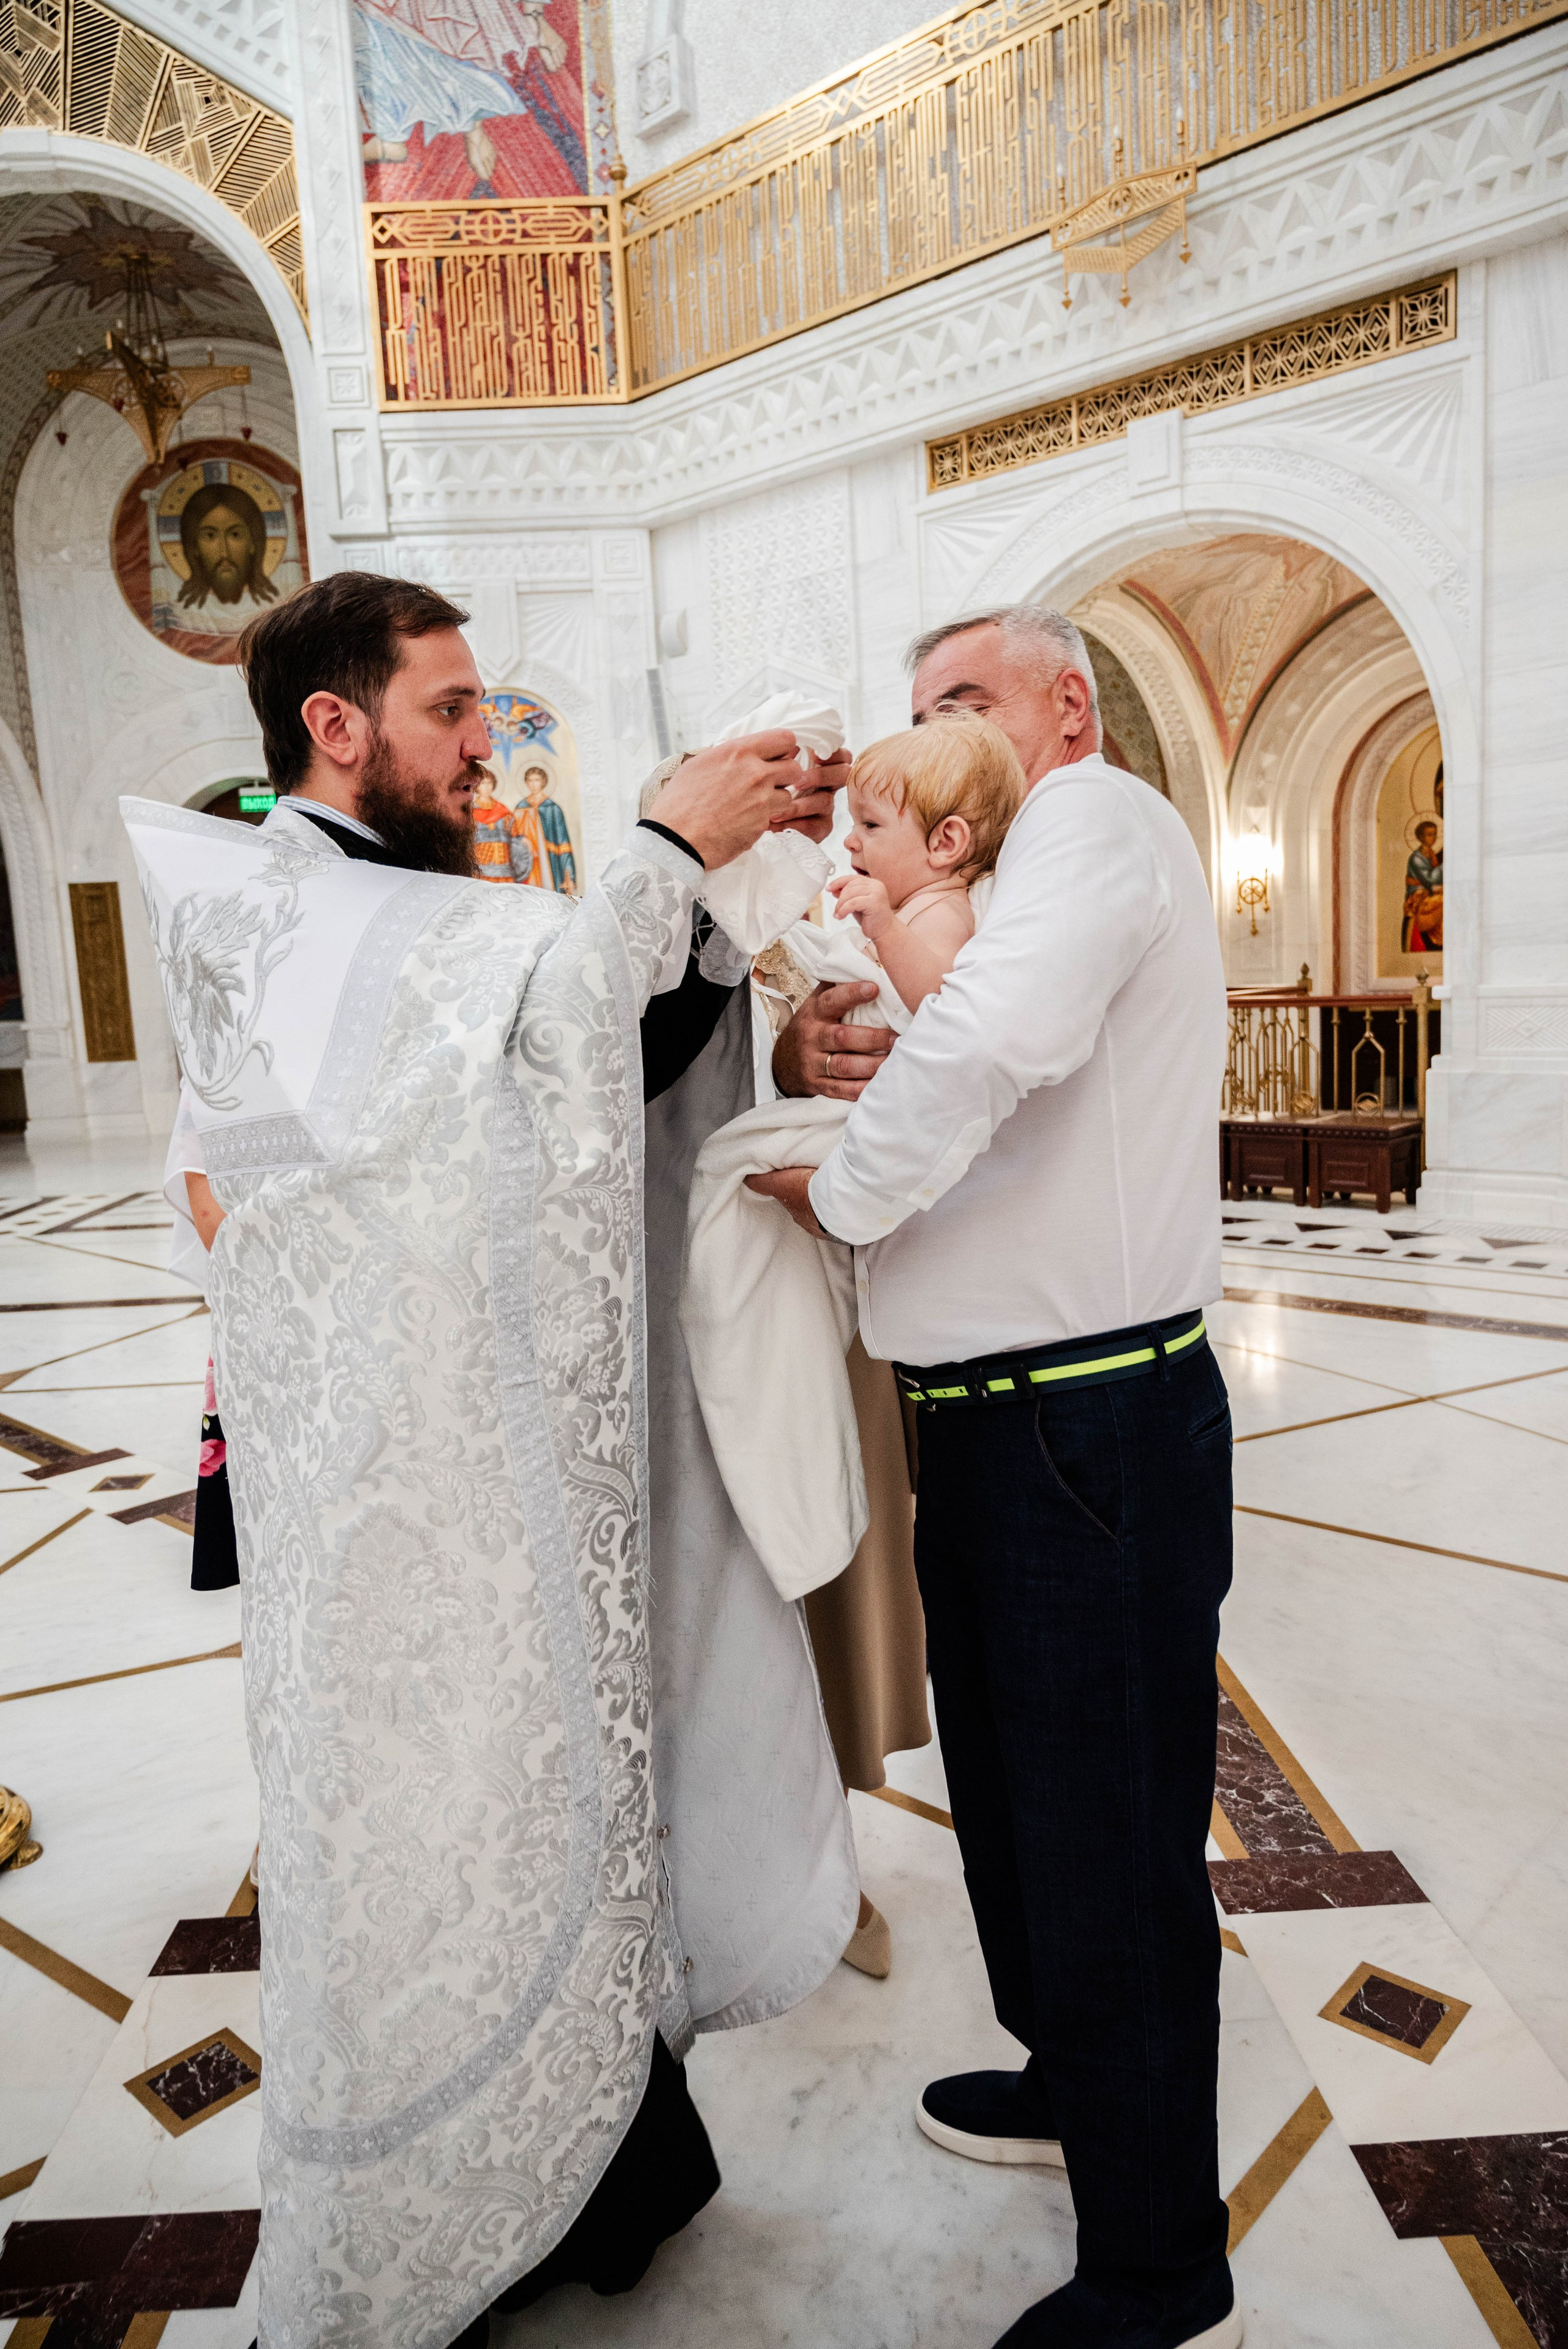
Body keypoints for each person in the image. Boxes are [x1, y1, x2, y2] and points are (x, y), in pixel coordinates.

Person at [125, 570, 854, 2349]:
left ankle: (601, 2171)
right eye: (450, 708)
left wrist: (716, 925)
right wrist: (663, 848)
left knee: (560, 1803)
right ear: (334, 723)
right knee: (445, 1836)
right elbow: (488, 1075)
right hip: (391, 1507)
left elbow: (563, 1063)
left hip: (482, 1470)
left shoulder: (412, 905)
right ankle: (445, 2213)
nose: (483, 744)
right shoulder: (268, 908)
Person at [756, 605, 1238, 2349]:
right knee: (1022, 1814)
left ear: (1068, 712)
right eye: (915, 712)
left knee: (1104, 1838)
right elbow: (893, 1027)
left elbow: (982, 1047)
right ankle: (1070, 2077)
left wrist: (841, 1193)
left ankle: (1161, 2266)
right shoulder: (987, 879)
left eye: (966, 700)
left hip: (1087, 1423)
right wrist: (814, 1051)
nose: (932, 737)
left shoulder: (1091, 820)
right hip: (985, 1422)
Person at [510, 760, 578, 892]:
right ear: (526, 783)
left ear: (544, 782)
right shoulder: (521, 807)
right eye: (530, 780)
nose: (533, 784)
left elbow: (563, 843)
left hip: (549, 859)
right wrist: (522, 840)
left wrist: (569, 873)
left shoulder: (553, 808)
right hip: (529, 861)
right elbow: (513, 835)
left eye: (537, 780)